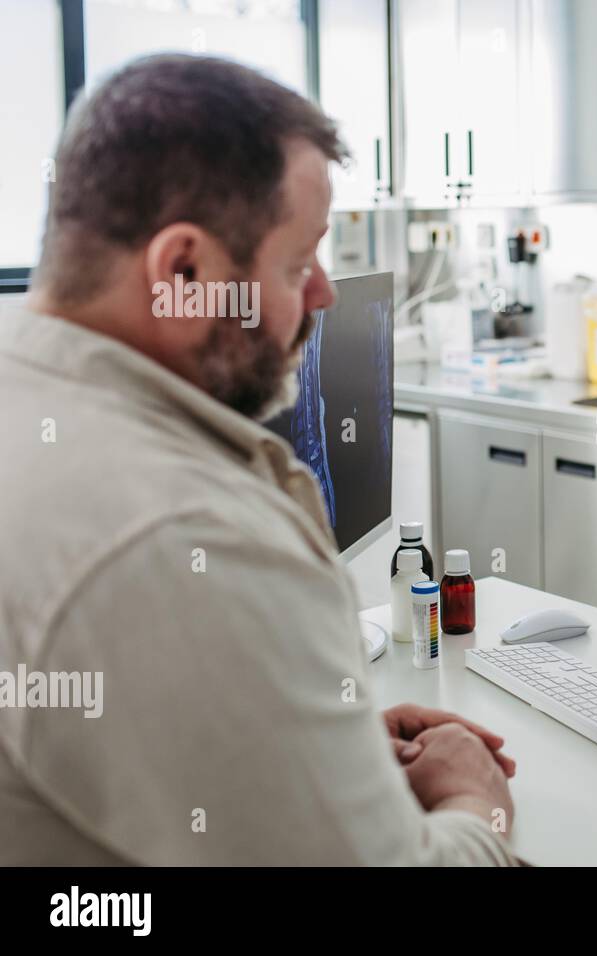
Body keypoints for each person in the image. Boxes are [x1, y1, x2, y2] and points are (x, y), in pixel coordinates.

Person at [0, 55, 518, 864]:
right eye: (297, 263)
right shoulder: (185, 535)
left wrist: (300, 751)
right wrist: (472, 801)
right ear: (184, 271)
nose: (324, 294)